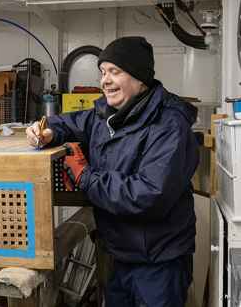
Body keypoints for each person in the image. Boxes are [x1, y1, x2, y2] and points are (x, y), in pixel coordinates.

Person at [26, 36, 200, 306]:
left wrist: (86, 177)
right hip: (123, 255)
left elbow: (148, 196)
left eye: (115, 72)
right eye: (103, 72)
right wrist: (47, 130)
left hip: (159, 263)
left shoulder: (169, 126)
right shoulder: (106, 114)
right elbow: (69, 122)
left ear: (140, 77)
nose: (104, 80)